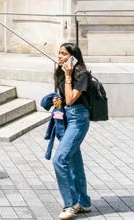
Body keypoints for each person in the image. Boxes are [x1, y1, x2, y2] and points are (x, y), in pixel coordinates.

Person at [51, 42, 93, 219]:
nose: (59, 57)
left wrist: (68, 76)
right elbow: (63, 100)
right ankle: (84, 202)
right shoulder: (60, 72)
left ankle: (71, 203)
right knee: (74, 162)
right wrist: (56, 101)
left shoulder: (81, 74)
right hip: (66, 118)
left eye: (64, 54)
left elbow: (70, 99)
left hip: (79, 120)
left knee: (59, 159)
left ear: (73, 57)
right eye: (59, 53)